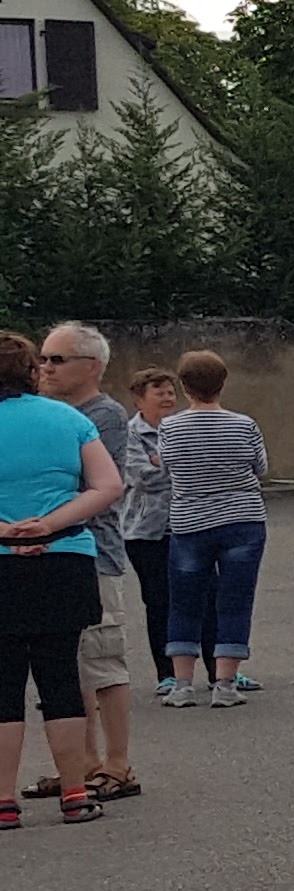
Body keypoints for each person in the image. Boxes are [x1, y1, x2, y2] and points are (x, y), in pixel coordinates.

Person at [0, 331, 124, 825]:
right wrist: (50, 524)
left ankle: (3, 801)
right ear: (32, 372)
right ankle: (75, 792)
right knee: (61, 677)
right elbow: (108, 486)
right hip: (64, 556)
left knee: (4, 683)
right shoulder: (70, 419)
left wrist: (6, 530)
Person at [32, 325, 140, 802]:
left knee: (102, 661)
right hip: (50, 551)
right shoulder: (49, 413)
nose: (46, 368)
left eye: (58, 360)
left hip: (94, 552)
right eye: (43, 359)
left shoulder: (104, 415)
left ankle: (118, 763)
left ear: (92, 366)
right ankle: (80, 762)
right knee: (65, 666)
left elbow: (95, 485)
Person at [156, 349, 270, 704]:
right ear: (223, 383)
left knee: (184, 601)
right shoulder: (244, 424)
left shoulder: (170, 427)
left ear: (184, 386)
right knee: (235, 600)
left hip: (190, 520)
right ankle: (225, 684)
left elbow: (166, 470)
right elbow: (261, 467)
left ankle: (182, 685)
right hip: (242, 519)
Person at [114, 366, 178, 697]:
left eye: (170, 392)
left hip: (185, 525)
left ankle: (218, 670)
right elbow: (143, 478)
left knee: (207, 596)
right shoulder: (129, 435)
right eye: (159, 392)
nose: (167, 398)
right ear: (139, 399)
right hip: (145, 531)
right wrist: (174, 464)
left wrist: (160, 462)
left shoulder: (181, 428)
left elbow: (199, 469)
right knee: (159, 600)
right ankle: (167, 673)